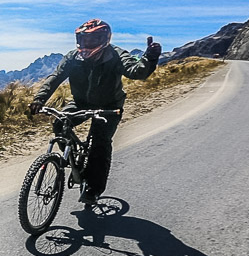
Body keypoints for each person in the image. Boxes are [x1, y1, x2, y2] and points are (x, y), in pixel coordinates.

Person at [28, 19, 162, 204]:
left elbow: (135, 71)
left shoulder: (115, 54)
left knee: (100, 143)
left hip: (109, 106)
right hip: (81, 103)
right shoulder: (73, 57)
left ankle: (94, 189)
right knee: (60, 122)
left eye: (92, 40)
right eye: (83, 39)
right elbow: (55, 77)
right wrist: (39, 99)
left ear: (104, 39)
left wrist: (150, 58)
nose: (86, 44)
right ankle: (73, 157)